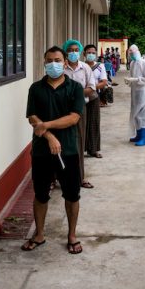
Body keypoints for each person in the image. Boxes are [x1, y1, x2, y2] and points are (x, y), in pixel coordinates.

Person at [22, 46, 85, 254]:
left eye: (57, 60)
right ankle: (39, 234)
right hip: (41, 151)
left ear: (65, 62)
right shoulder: (35, 88)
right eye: (49, 60)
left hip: (67, 150)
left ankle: (72, 235)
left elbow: (74, 117)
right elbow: (32, 117)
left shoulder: (74, 87)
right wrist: (48, 136)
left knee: (72, 194)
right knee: (41, 194)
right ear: (44, 62)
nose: (53, 64)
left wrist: (46, 126)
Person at [63, 39, 97, 189]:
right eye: (70, 50)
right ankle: (57, 178)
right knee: (62, 143)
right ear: (66, 52)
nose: (73, 52)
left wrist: (74, 94)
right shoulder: (61, 68)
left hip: (80, 108)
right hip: (62, 110)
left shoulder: (85, 68)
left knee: (79, 143)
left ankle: (80, 177)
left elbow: (91, 88)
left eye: (76, 50)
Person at [126, 44, 145, 146]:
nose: (131, 54)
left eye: (132, 52)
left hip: (142, 92)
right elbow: (131, 76)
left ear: (137, 51)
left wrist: (137, 80)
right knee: (135, 114)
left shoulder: (144, 63)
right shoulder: (132, 63)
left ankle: (144, 138)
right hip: (134, 92)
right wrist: (129, 81)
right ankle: (138, 135)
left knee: (143, 115)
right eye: (129, 52)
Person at [84, 44, 107, 157]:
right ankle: (81, 148)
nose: (91, 55)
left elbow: (103, 82)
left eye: (93, 53)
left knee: (93, 122)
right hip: (80, 97)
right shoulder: (81, 66)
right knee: (81, 122)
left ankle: (93, 149)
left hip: (93, 97)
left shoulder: (100, 66)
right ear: (84, 54)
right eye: (89, 52)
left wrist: (91, 88)